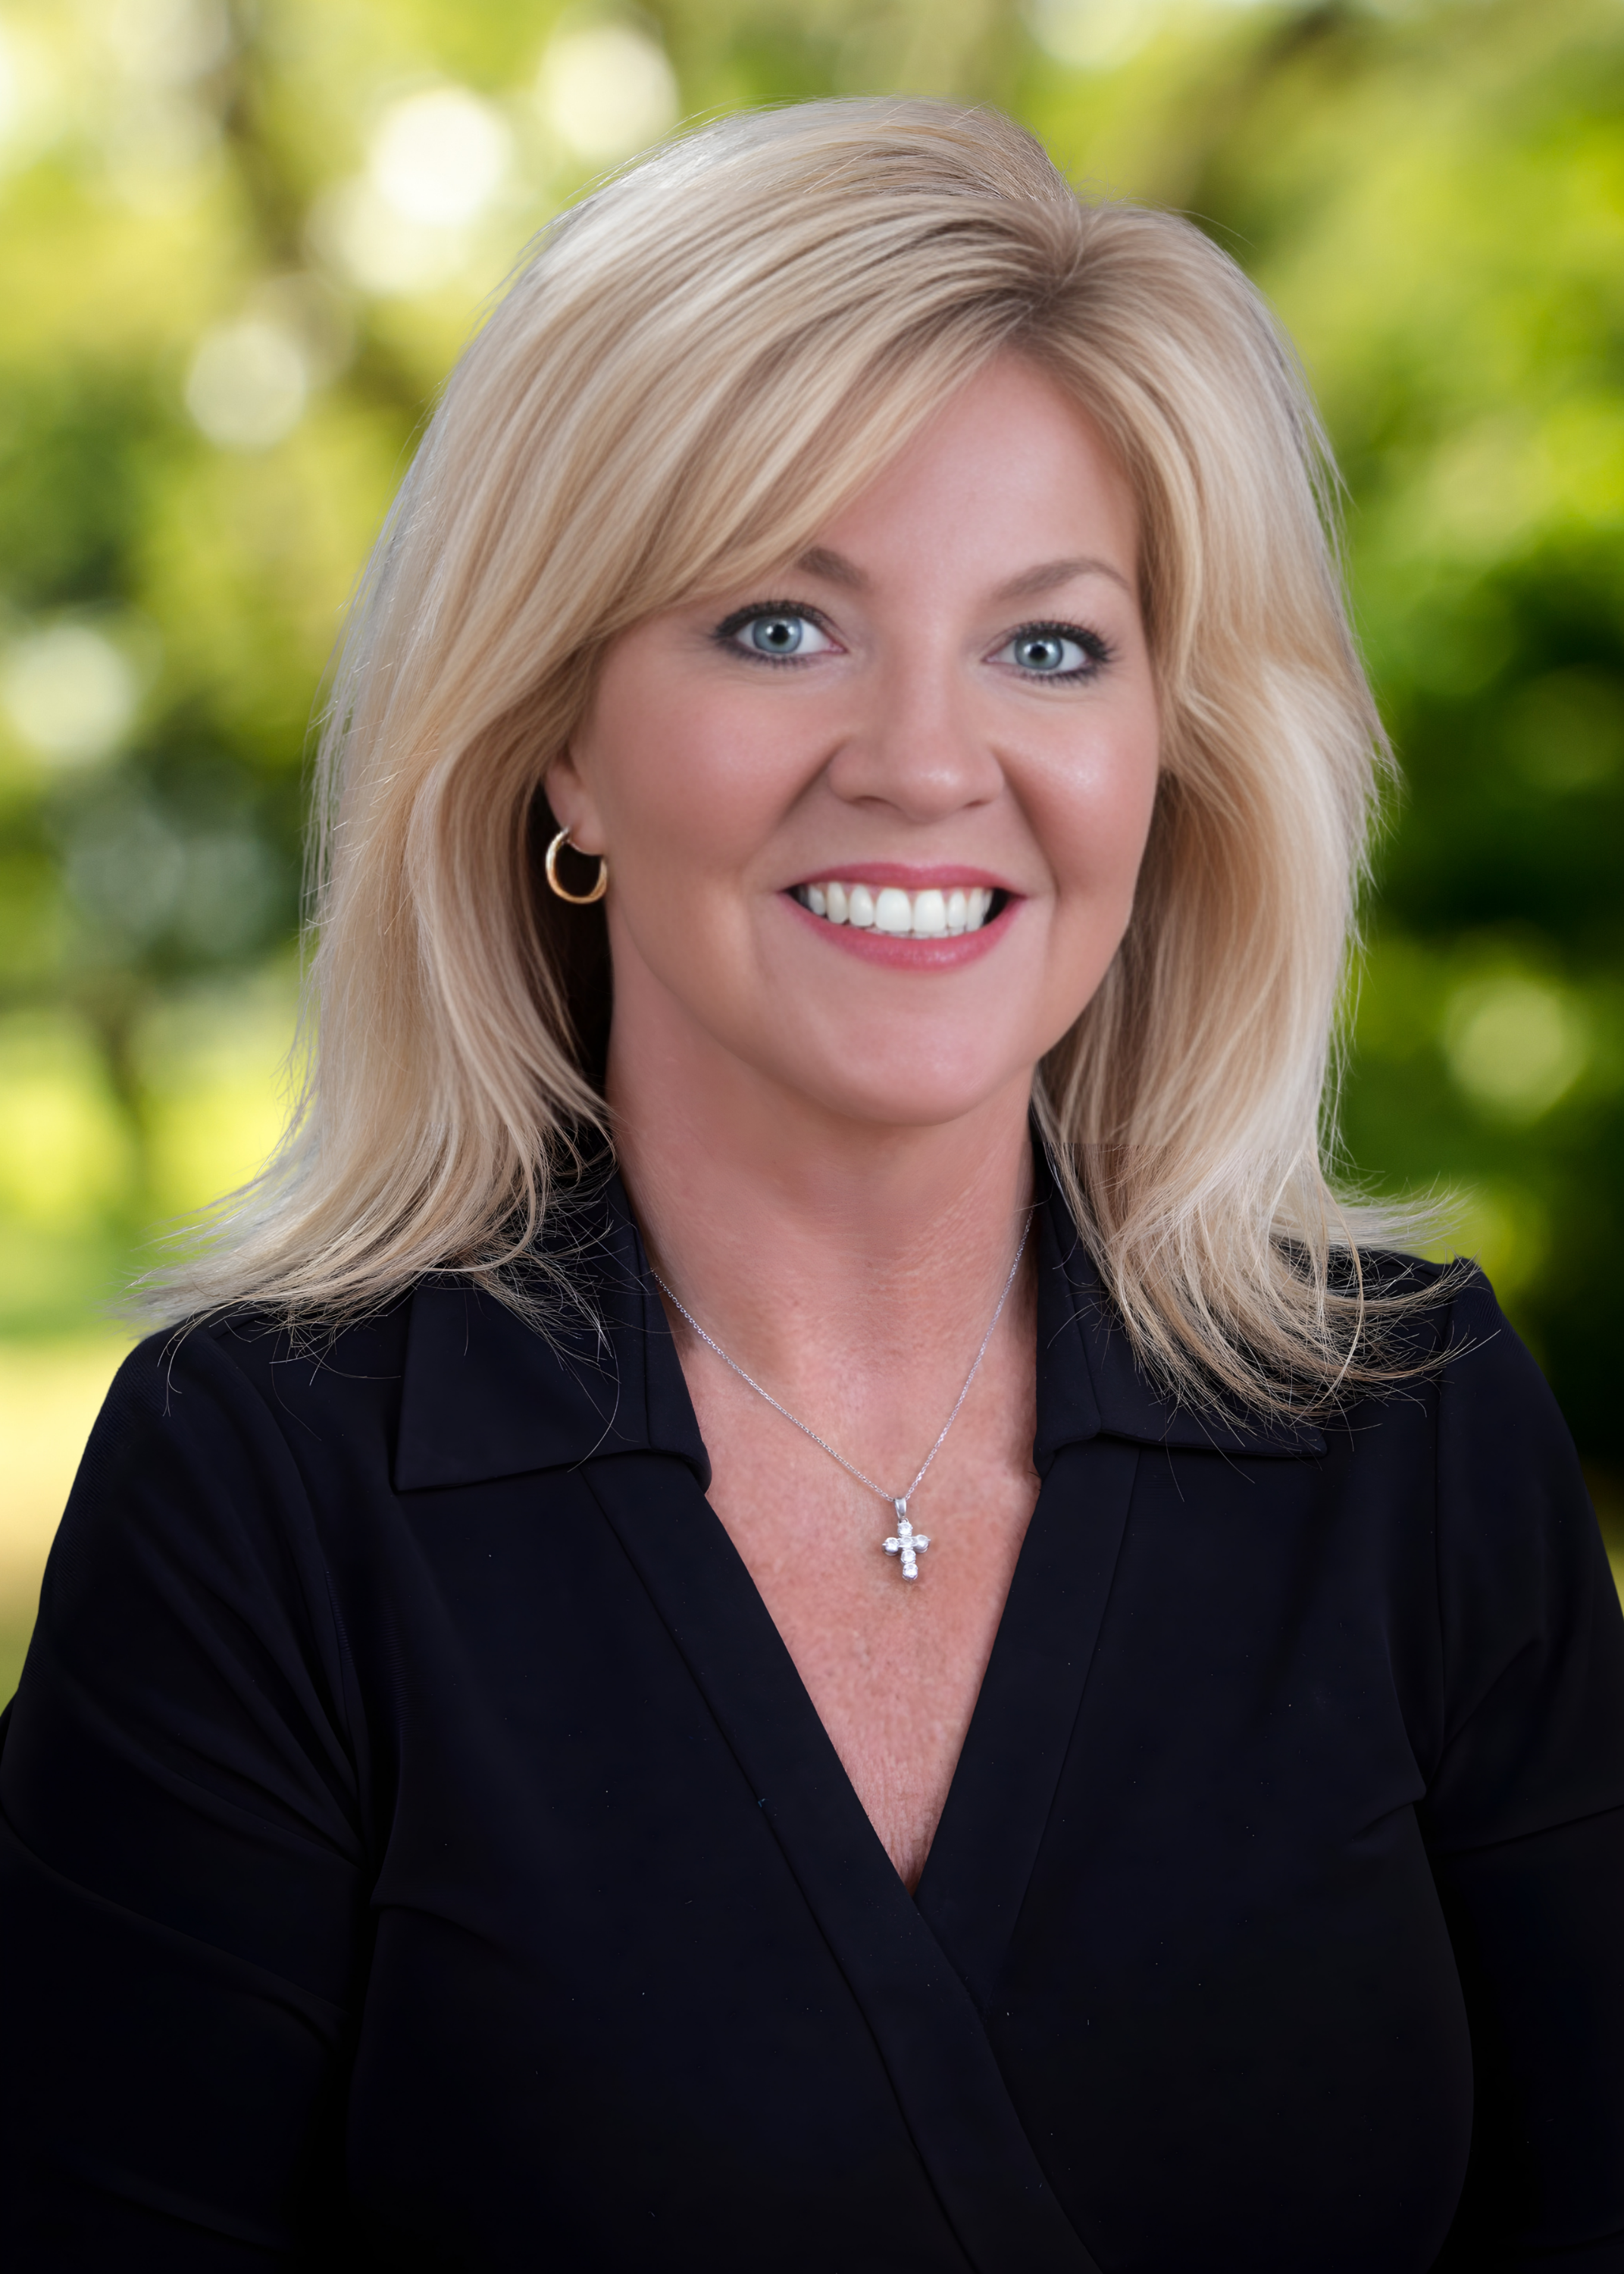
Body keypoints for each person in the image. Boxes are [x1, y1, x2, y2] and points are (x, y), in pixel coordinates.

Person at [2, 97, 1620, 2273]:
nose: (927, 761)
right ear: (557, 733)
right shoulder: (262, 1491)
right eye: (781, 624)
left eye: (1048, 645)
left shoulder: (1417, 1441)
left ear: (1166, 751)